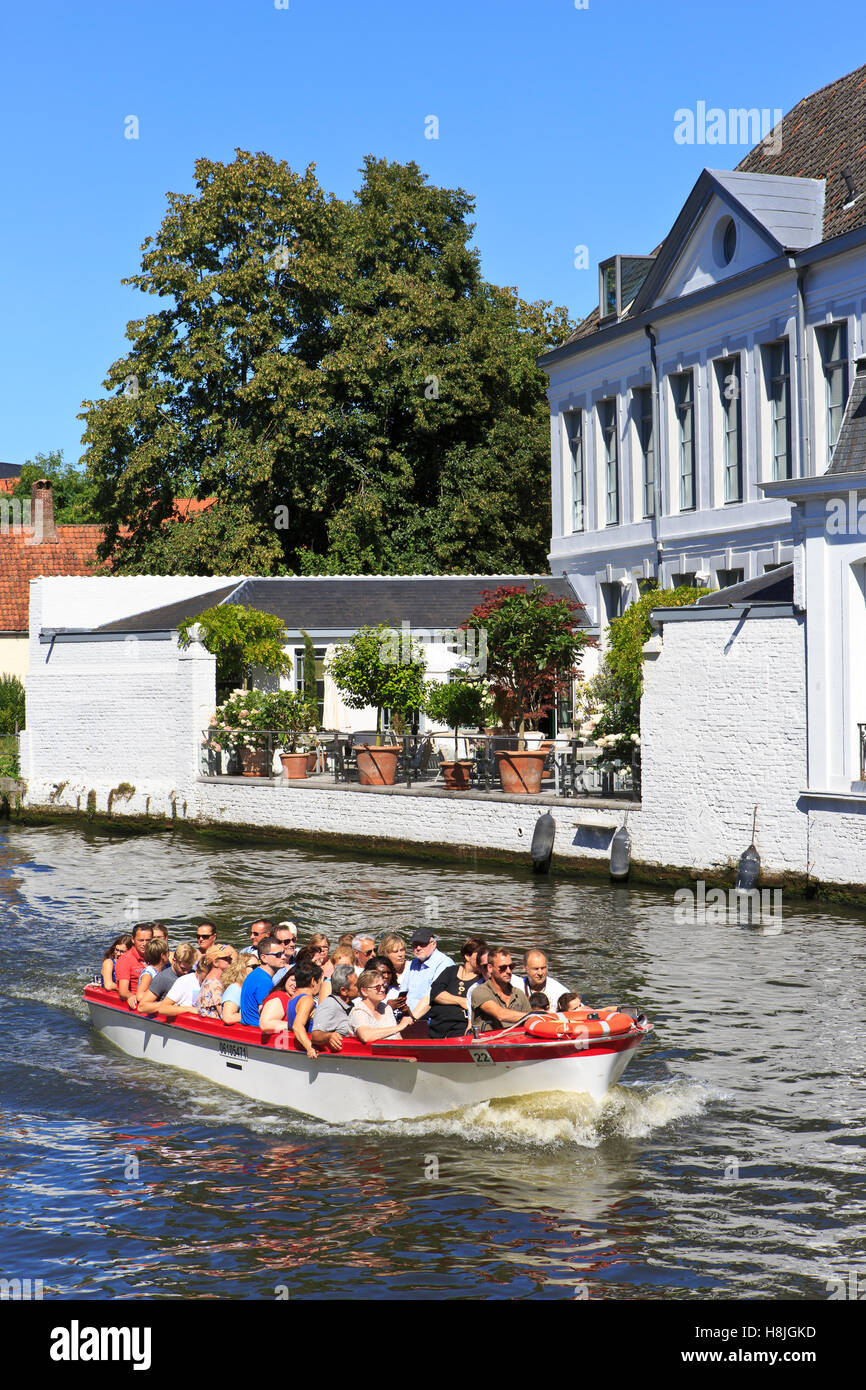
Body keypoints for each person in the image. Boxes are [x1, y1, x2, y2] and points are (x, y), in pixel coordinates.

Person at [260, 960, 324, 1059]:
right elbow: (297, 1026)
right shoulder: (307, 999)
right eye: (320, 981)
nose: (321, 986)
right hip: (308, 1050)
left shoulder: (293, 997)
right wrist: (309, 1047)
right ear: (313, 981)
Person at [428, 937, 488, 1039]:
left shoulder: (482, 978)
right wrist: (461, 1001)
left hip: (460, 1028)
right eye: (479, 955)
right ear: (467, 956)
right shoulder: (450, 971)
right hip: (439, 1026)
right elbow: (436, 994)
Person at [471, 948, 531, 1034]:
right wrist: (533, 1016)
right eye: (503, 968)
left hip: (516, 1042)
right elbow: (500, 1014)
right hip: (487, 1044)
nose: (509, 971)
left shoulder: (519, 994)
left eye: (511, 966)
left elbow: (531, 1022)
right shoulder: (480, 991)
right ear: (490, 968)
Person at [349, 969, 416, 1043]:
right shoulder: (358, 1012)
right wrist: (400, 1026)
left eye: (383, 985)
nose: (382, 989)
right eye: (377, 987)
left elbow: (397, 1037)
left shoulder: (386, 1008)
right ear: (364, 991)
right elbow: (366, 1036)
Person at [403, 928, 454, 1020]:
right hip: (409, 1018)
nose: (418, 948)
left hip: (430, 1021)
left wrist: (411, 1020)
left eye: (423, 944)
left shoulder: (445, 963)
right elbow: (403, 992)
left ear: (433, 944)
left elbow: (431, 996)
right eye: (415, 945)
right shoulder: (413, 963)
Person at [138, 943, 197, 1016]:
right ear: (174, 960)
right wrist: (167, 1004)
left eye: (190, 968)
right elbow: (142, 1007)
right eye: (183, 968)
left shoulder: (193, 974)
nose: (186, 972)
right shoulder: (163, 978)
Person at [310, 964, 359, 1051]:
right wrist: (329, 1036)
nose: (360, 987)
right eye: (356, 985)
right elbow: (315, 1035)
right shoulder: (329, 1005)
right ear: (343, 991)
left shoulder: (350, 1005)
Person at [240, 937, 286, 1025]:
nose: (283, 957)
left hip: (248, 1026)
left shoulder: (255, 974)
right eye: (278, 954)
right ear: (264, 958)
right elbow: (264, 1013)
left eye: (283, 953)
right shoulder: (264, 981)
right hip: (256, 1030)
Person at [115, 923, 155, 1006]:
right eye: (141, 940)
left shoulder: (156, 956)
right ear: (133, 939)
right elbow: (123, 990)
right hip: (138, 1002)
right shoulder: (125, 959)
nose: (145, 944)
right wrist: (130, 996)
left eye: (148, 940)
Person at [197, 945, 237, 1017]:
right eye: (226, 958)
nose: (230, 960)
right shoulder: (215, 985)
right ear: (215, 962)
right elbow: (224, 1015)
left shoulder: (208, 980)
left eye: (230, 957)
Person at [220, 954, 258, 1025]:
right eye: (254, 967)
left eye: (259, 966)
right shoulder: (235, 989)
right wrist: (255, 1016)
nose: (258, 970)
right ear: (242, 968)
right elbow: (228, 1017)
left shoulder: (248, 987)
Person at [136, 937, 171, 1004]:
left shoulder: (165, 968)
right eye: (168, 951)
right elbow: (139, 996)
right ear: (163, 956)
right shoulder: (149, 974)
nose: (169, 954)